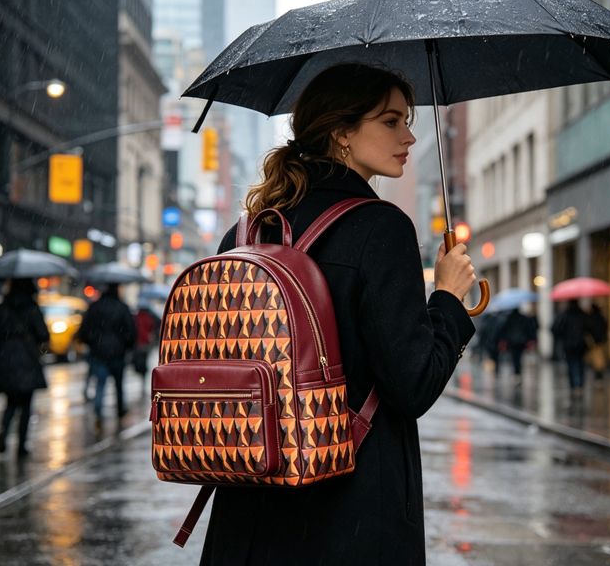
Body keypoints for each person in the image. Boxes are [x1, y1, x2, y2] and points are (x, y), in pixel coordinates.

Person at [201, 64, 476, 565]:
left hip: (248, 510)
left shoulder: (243, 235)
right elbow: (413, 385)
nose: (409, 135)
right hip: (348, 512)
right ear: (341, 132)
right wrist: (450, 300)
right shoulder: (380, 228)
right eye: (391, 121)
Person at [0, 279, 49, 456]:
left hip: (6, 359)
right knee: (26, 405)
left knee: (11, 402)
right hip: (27, 358)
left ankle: (3, 434)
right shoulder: (33, 309)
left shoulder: (2, 309)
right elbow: (43, 334)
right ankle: (21, 444)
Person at [77, 283, 136, 428]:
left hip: (98, 352)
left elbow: (84, 330)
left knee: (100, 383)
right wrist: (125, 345)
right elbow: (131, 332)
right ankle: (120, 410)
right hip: (117, 352)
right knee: (118, 384)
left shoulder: (95, 307)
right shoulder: (122, 308)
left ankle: (98, 411)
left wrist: (92, 342)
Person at [552, 299, 590, 396]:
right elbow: (590, 327)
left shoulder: (564, 315)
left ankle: (574, 385)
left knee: (571, 364)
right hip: (581, 344)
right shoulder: (582, 314)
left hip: (568, 345)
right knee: (580, 363)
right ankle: (579, 384)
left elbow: (555, 328)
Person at [497, 307, 537, 381]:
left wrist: (504, 339)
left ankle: (516, 372)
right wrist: (531, 339)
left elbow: (503, 330)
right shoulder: (524, 318)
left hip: (512, 342)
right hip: (521, 341)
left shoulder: (508, 318)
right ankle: (518, 372)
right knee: (519, 356)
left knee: (514, 357)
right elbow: (529, 329)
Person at [132, 301, 160, 396]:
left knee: (139, 362)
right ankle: (142, 379)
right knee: (143, 362)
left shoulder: (135, 317)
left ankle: (141, 377)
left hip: (138, 343)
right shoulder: (149, 317)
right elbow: (155, 326)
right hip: (146, 344)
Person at [586, 302, 608, 380]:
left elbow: (588, 329)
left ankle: (598, 374)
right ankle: (599, 375)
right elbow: (605, 327)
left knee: (596, 359)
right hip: (600, 341)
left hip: (594, 342)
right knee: (600, 359)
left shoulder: (590, 318)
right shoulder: (601, 317)